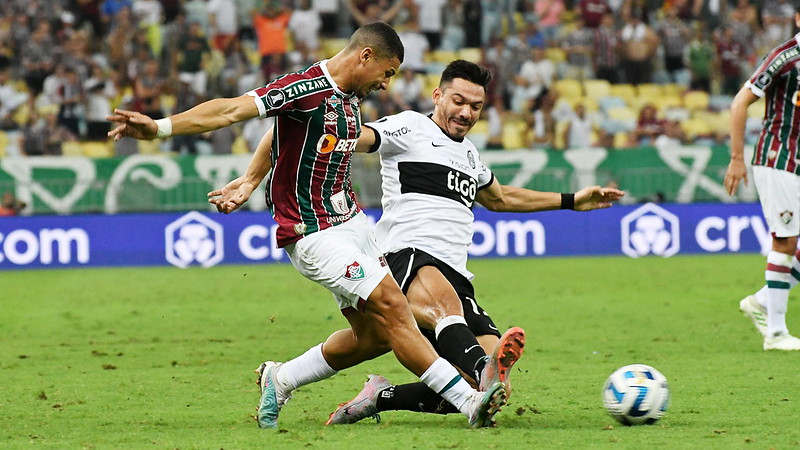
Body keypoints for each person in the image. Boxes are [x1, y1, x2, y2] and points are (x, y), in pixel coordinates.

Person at [108, 22, 508, 429]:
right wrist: (160, 128)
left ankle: (280, 379)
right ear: (365, 56)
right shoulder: (303, 88)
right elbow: (231, 109)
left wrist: (250, 179)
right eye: (387, 73)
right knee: (394, 306)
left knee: (374, 337)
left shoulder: (350, 96)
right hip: (310, 231)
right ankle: (468, 400)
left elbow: (278, 134)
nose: (386, 85)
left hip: (353, 223)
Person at [280, 60, 620, 424]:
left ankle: (381, 397)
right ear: (438, 95)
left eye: (475, 107)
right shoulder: (410, 125)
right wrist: (319, 122)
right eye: (458, 101)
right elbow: (361, 138)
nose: (466, 112)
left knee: (483, 388)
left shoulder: (470, 155)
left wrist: (570, 201)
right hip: (406, 254)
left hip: (456, 273)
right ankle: (483, 366)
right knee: (448, 313)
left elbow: (501, 198)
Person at [724, 8, 800, 352]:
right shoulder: (786, 57)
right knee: (785, 241)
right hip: (778, 159)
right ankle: (776, 333)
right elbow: (741, 102)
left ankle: (762, 301)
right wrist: (736, 158)